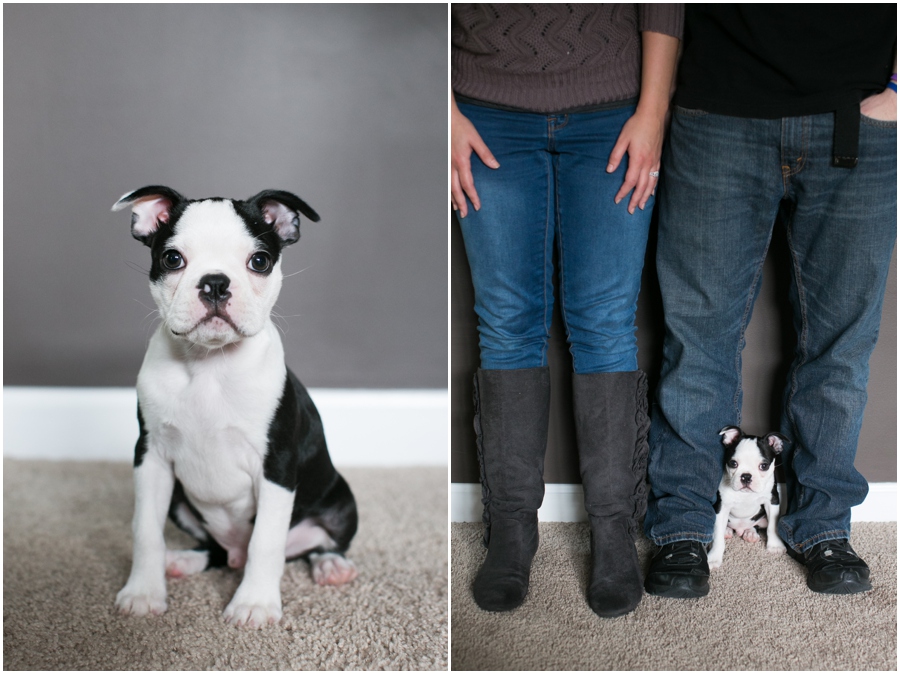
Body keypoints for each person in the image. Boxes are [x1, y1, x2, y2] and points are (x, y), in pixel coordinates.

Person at [644, 5, 896, 598]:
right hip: (716, 110)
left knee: (842, 346)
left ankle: (822, 526)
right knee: (697, 339)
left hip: (859, 113)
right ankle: (683, 527)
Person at [451, 4, 682, 618]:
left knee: (606, 324)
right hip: (483, 111)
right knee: (505, 325)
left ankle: (613, 536)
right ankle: (511, 535)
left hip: (614, 111)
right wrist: (440, 110)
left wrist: (653, 115)